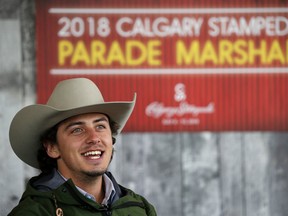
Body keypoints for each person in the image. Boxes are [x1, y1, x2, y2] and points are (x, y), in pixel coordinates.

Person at [8, 78, 157, 215]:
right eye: (77, 130)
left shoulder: (140, 208)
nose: (94, 138)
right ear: (52, 147)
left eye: (100, 126)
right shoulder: (33, 213)